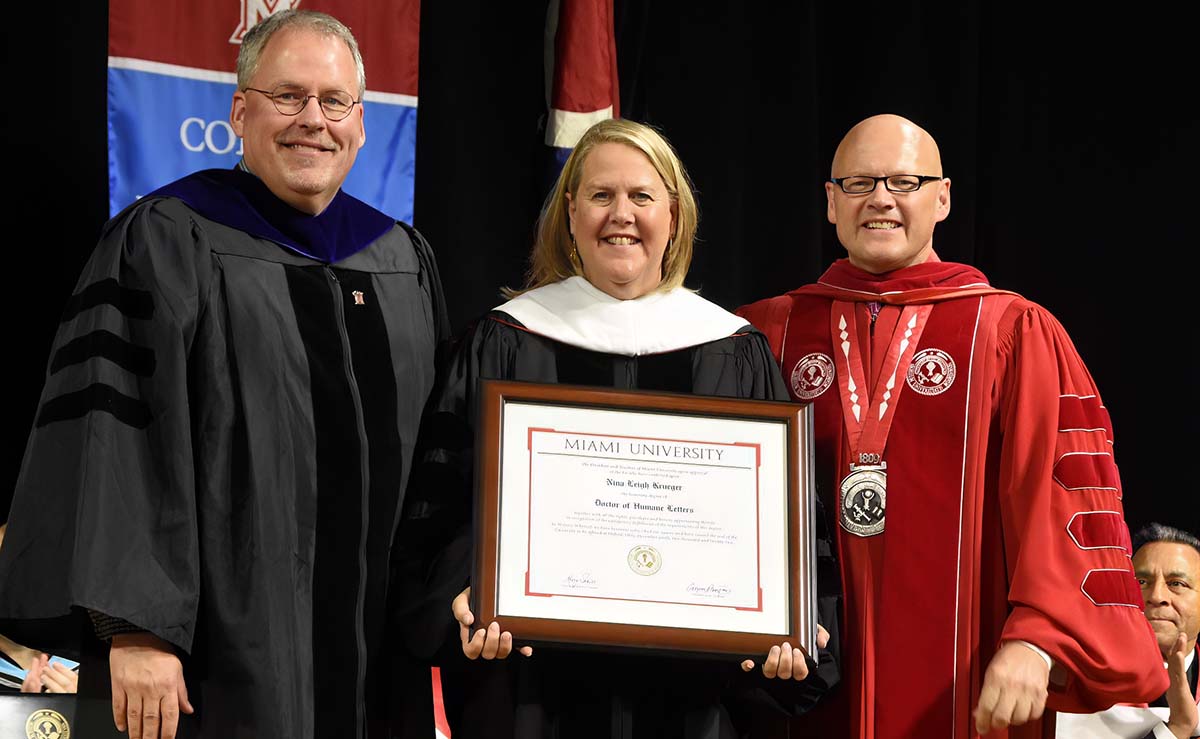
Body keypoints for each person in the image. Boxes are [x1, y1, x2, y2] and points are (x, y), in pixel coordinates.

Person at [0, 9, 448, 739]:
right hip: (224, 656)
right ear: (240, 112)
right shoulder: (169, 238)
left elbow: (438, 462)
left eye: (334, 101)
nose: (314, 120)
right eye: (288, 96)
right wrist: (136, 627)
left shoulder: (401, 260)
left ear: (362, 124)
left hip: (379, 662)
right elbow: (117, 442)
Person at [398, 118, 838, 739]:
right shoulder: (503, 340)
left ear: (675, 213)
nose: (621, 214)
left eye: (641, 196)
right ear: (571, 211)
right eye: (602, 195)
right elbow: (442, 508)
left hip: (694, 701)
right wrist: (462, 604)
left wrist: (791, 626)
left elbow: (785, 526)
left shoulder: (733, 350)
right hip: (532, 692)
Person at [736, 114, 1166, 738]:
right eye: (858, 182)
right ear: (831, 202)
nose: (880, 198)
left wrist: (1038, 641)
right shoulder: (765, 334)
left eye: (904, 181)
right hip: (799, 683)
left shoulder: (1011, 332)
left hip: (967, 682)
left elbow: (1064, 496)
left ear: (942, 198)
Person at [1057, 523, 1200, 738]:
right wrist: (1176, 729)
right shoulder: (1077, 680)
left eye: (1177, 583)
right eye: (1141, 582)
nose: (1156, 596)